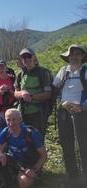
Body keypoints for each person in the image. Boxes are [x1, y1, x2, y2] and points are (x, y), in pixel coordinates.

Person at [52, 44, 87, 183]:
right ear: (68, 57)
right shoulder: (63, 71)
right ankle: (72, 178)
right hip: (64, 112)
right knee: (66, 145)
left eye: (77, 54)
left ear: (82, 56)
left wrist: (82, 107)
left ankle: (85, 178)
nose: (74, 57)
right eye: (72, 55)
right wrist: (62, 102)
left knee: (84, 145)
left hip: (81, 113)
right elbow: (55, 87)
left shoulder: (85, 71)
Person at [0, 108, 47, 188]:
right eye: (8, 120)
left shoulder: (30, 133)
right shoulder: (6, 131)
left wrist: (35, 169)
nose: (11, 123)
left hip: (29, 164)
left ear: (20, 119)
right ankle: (2, 181)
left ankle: (33, 180)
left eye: (14, 119)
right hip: (14, 161)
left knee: (23, 181)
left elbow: (44, 155)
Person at [14, 48, 52, 138]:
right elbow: (15, 93)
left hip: (38, 113)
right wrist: (22, 93)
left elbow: (48, 94)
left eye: (28, 56)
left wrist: (31, 97)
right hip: (23, 112)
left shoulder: (43, 72)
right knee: (25, 138)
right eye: (24, 57)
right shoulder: (20, 74)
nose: (26, 59)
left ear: (34, 57)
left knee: (38, 138)